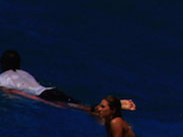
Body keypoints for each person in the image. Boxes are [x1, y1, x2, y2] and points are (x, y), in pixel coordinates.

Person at [0, 50, 135, 112]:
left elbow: (14, 92)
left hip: (44, 96)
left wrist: (40, 101)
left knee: (83, 109)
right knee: (79, 104)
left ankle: (111, 108)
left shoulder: (3, 78)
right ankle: (114, 105)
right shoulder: (24, 73)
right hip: (50, 90)